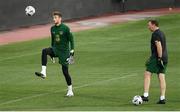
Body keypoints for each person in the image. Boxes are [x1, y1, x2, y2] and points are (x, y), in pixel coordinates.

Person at [35, 11, 75, 97]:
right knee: (45, 51)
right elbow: (53, 41)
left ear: (60, 18)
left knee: (65, 72)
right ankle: (44, 72)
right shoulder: (52, 29)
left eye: (55, 17)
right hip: (56, 49)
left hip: (64, 52)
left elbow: (71, 39)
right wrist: (51, 53)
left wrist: (72, 50)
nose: (54, 19)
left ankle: (70, 90)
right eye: (53, 17)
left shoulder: (65, 28)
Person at [141, 20, 168, 104]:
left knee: (147, 74)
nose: (148, 27)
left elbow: (159, 46)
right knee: (161, 76)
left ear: (154, 25)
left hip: (158, 57)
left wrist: (159, 58)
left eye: (149, 25)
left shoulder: (155, 34)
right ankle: (162, 98)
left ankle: (145, 95)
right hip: (165, 57)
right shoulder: (161, 33)